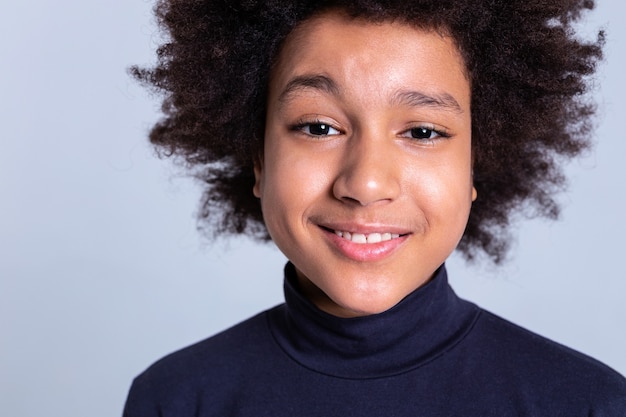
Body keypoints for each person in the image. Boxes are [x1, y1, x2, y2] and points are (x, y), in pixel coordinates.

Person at [124, 0, 626, 415]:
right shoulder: (175, 399)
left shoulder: (588, 404)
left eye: (423, 132)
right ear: (259, 162)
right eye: (318, 127)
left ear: (476, 165)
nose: (365, 183)